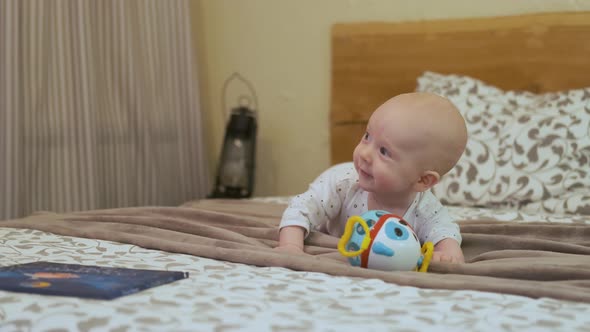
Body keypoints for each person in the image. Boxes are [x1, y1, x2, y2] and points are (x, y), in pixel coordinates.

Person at [276, 92, 468, 263]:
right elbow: (301, 208)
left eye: (384, 151)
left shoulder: (425, 209)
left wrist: (447, 253)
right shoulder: (342, 182)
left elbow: (446, 234)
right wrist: (291, 245)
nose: (365, 154)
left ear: (422, 181)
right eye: (367, 136)